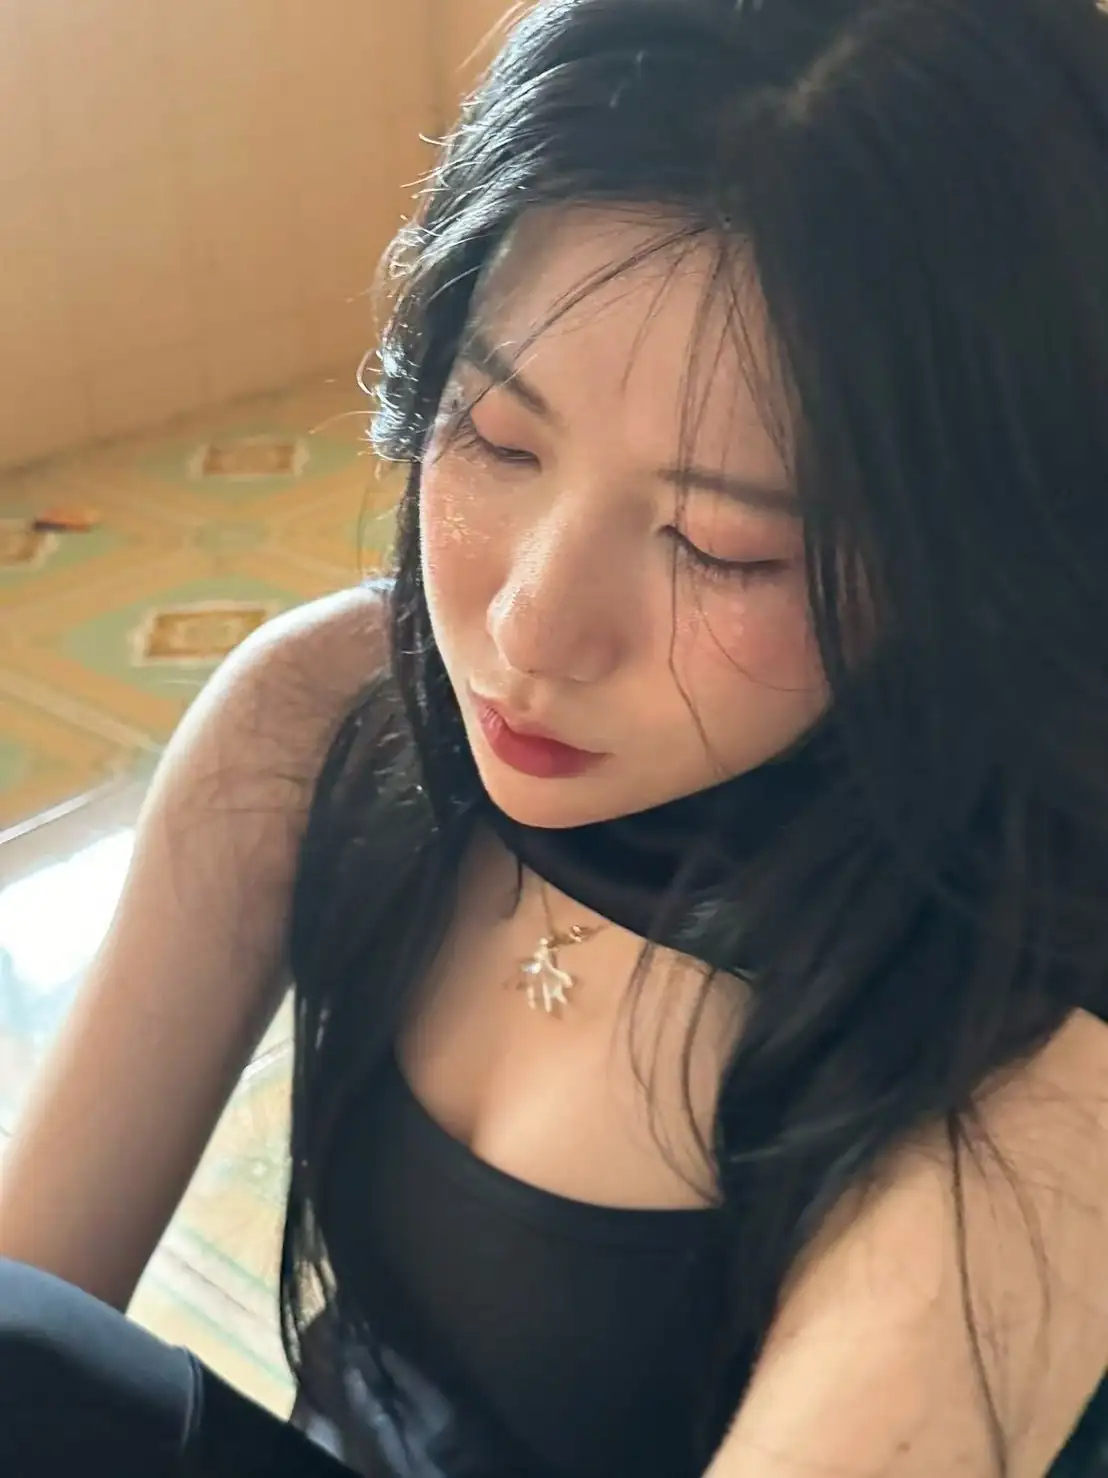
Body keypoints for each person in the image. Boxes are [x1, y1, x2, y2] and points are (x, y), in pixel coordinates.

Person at [2, 0, 1107, 1472]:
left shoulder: (1025, 1045)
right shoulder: (325, 714)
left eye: (720, 546)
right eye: (496, 439)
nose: (530, 630)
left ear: (978, 556)